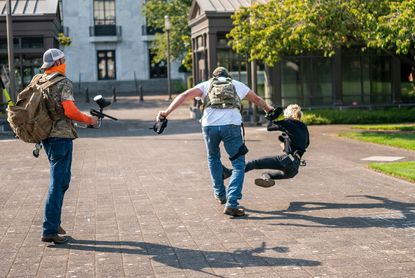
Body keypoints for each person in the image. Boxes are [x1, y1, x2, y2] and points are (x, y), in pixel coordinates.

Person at [156, 67, 273, 217]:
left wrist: (165, 113)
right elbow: (257, 100)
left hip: (209, 127)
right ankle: (232, 203)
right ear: (227, 76)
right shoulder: (237, 84)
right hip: (231, 126)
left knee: (213, 158)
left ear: (214, 77)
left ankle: (220, 194)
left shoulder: (205, 85)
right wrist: (269, 110)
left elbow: (185, 95)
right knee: (238, 164)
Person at [39, 48, 97, 244]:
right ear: (58, 62)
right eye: (63, 59)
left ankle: (53, 222)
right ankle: (49, 229)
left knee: (62, 181)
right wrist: (89, 120)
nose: (65, 62)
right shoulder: (62, 82)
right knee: (57, 183)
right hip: (60, 138)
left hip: (46, 136)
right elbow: (70, 111)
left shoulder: (41, 80)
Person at [243, 104, 310, 187]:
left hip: (287, 161)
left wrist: (270, 112)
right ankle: (266, 178)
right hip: (294, 169)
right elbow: (305, 145)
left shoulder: (290, 123)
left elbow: (270, 127)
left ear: (288, 114)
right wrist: (287, 141)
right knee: (266, 173)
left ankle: (230, 172)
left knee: (254, 163)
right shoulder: (303, 128)